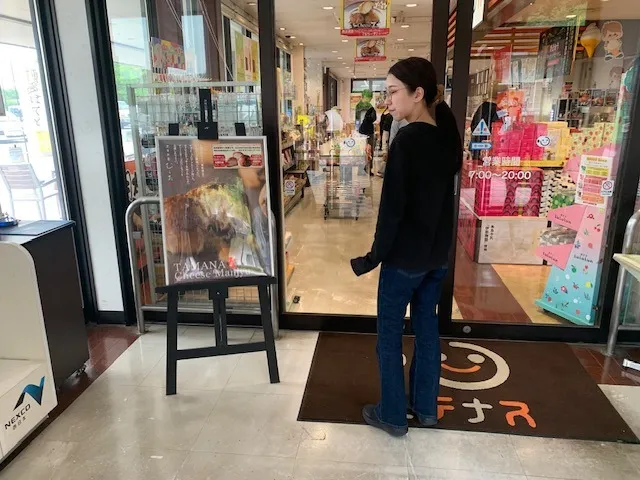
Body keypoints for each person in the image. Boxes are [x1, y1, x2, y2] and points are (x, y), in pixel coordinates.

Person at [350, 57, 462, 437]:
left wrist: (373, 257)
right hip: (436, 257)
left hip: (404, 260)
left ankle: (393, 415)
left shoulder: (408, 140)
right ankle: (426, 408)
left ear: (418, 94)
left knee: (389, 335)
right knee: (427, 330)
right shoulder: (447, 138)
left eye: (393, 92)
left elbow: (392, 209)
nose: (388, 101)